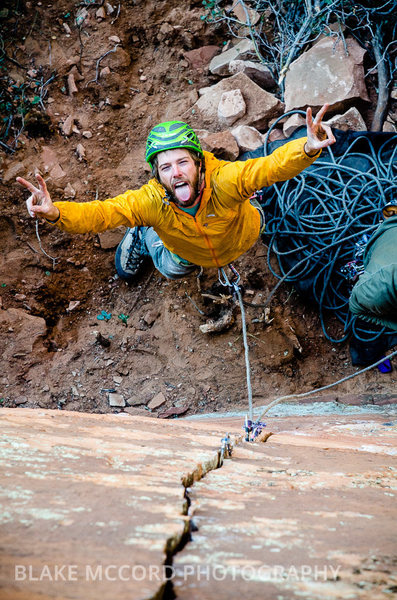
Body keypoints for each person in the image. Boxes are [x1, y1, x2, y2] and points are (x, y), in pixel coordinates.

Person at [17, 104, 335, 282]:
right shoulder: (153, 199)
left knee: (253, 213)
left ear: (198, 162)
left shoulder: (225, 179)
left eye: (182, 162)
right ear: (157, 174)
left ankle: (158, 236)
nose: (176, 172)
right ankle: (142, 236)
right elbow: (102, 214)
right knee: (171, 268)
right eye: (166, 167)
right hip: (185, 252)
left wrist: (306, 147)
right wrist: (56, 212)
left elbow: (269, 168)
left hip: (240, 238)